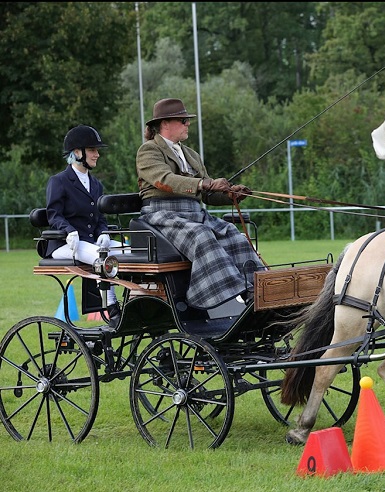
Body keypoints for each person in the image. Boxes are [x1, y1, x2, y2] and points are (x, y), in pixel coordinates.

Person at [135, 98, 262, 310]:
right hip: (162, 216)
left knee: (231, 231)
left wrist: (232, 195)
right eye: (183, 120)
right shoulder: (148, 151)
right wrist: (206, 183)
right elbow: (165, 180)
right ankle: (236, 292)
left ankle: (260, 287)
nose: (188, 124)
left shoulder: (190, 154)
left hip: (194, 214)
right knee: (202, 235)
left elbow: (207, 196)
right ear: (165, 123)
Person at [46, 125, 124, 326]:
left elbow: (100, 218)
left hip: (89, 243)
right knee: (102, 257)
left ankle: (137, 300)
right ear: (77, 152)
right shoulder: (59, 181)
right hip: (64, 244)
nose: (97, 154)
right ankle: (111, 307)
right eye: (92, 150)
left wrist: (104, 232)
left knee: (130, 250)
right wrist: (68, 230)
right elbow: (53, 214)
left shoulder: (96, 184)